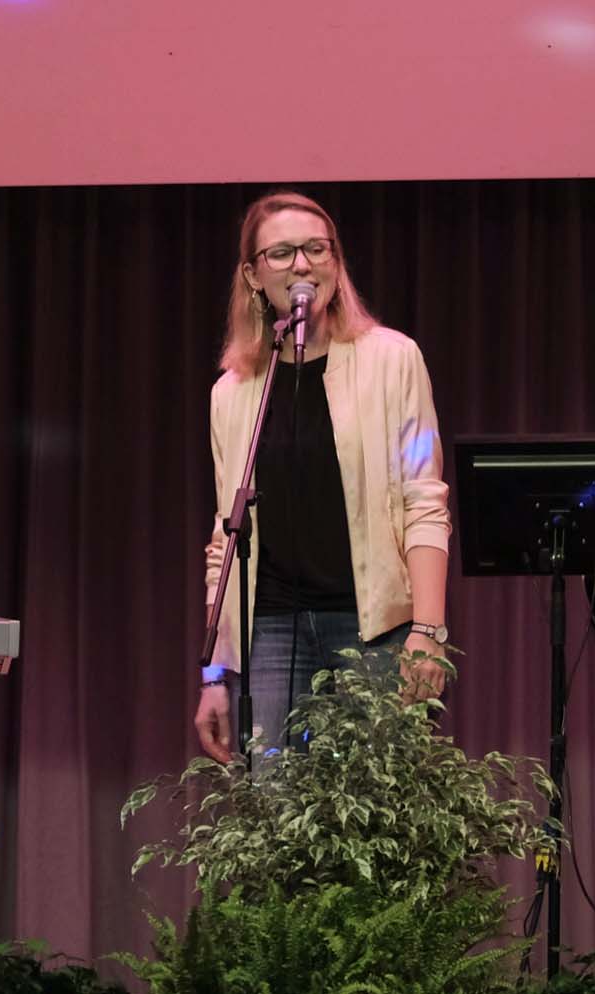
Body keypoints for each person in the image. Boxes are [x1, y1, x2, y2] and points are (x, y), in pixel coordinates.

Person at [193, 191, 450, 764]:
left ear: (336, 261)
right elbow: (226, 540)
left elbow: (424, 501)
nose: (303, 265)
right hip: (271, 629)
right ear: (253, 275)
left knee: (381, 802)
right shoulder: (232, 392)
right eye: (282, 253)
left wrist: (428, 633)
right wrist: (215, 674)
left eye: (316, 248)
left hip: (378, 628)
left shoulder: (393, 360)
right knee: (275, 806)